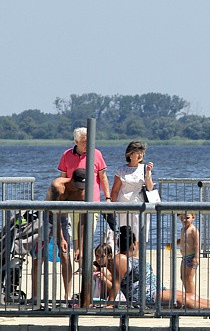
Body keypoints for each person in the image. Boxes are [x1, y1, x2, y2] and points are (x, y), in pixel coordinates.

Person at [109, 226, 210, 310]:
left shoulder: (132, 258)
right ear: (134, 244)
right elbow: (116, 283)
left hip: (156, 291)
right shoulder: (120, 259)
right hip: (145, 296)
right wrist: (110, 304)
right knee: (182, 300)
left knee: (191, 295)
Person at [31, 170, 87, 303]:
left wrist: (80, 247)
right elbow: (54, 212)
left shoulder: (82, 193)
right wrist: (60, 238)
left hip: (63, 218)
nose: (79, 189)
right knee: (39, 256)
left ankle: (67, 295)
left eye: (82, 187)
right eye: (77, 185)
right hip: (46, 217)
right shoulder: (58, 187)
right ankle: (35, 295)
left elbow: (82, 221)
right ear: (71, 180)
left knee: (65, 256)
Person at [58, 127, 112, 264]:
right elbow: (62, 177)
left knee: (88, 231)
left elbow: (103, 177)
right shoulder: (67, 155)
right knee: (75, 232)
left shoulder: (96, 154)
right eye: (84, 141)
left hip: (92, 201)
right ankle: (79, 260)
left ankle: (85, 260)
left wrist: (108, 198)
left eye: (89, 141)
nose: (87, 144)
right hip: (73, 200)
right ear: (76, 141)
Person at [110, 141, 154, 241]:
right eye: (137, 152)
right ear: (130, 154)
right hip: (124, 205)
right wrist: (111, 206)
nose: (140, 155)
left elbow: (150, 187)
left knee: (139, 234)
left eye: (141, 153)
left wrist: (148, 173)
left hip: (140, 205)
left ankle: (138, 255)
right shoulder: (121, 170)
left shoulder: (144, 168)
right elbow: (115, 190)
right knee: (125, 234)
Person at [179, 213, 200, 298]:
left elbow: (197, 244)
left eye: (187, 218)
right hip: (184, 257)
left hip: (191, 256)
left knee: (189, 278)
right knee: (183, 277)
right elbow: (183, 241)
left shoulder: (193, 230)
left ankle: (193, 297)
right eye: (182, 218)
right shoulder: (183, 229)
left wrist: (196, 257)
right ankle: (188, 295)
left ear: (193, 218)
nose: (184, 220)